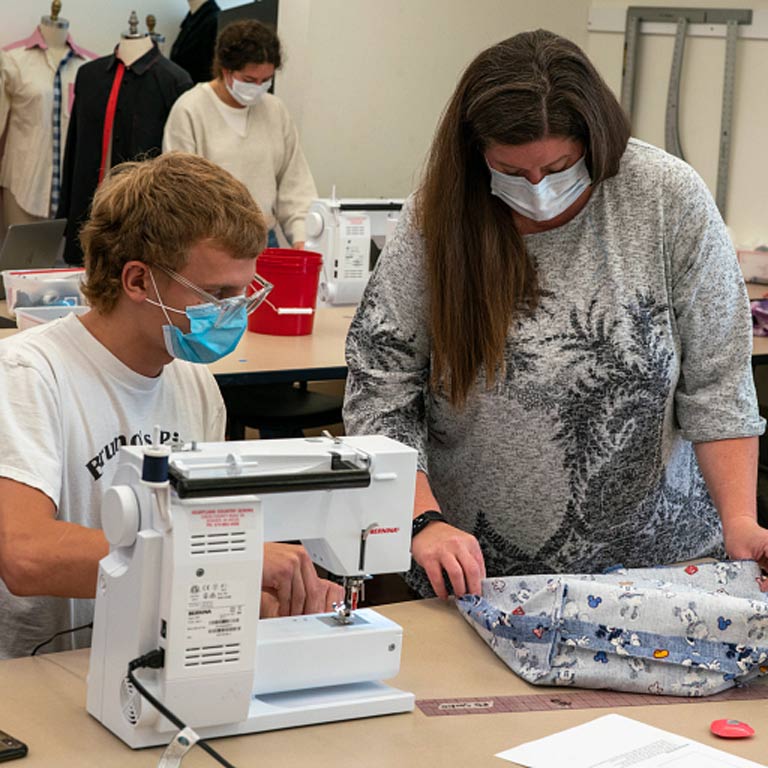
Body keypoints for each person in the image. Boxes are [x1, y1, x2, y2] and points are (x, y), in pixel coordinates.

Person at [343, 29, 768, 601]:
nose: (539, 189)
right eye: (512, 172)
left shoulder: (666, 198)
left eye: (560, 165)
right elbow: (381, 384)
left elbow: (719, 381)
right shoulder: (440, 216)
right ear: (478, 154)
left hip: (662, 571)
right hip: (478, 574)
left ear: (595, 141)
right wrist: (421, 520)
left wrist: (739, 521)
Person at [0, 152, 341, 659]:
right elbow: (25, 555)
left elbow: (196, 546)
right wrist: (240, 561)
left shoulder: (195, 384)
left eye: (243, 292)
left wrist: (260, 599)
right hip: (36, 673)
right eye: (217, 293)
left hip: (137, 653)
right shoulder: (28, 375)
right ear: (137, 281)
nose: (233, 312)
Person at [163, 19, 317, 249]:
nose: (257, 87)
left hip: (264, 240)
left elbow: (295, 186)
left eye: (265, 81)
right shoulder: (190, 109)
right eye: (249, 80)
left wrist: (304, 240)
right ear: (226, 70)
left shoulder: (275, 111)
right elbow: (179, 193)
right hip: (210, 244)